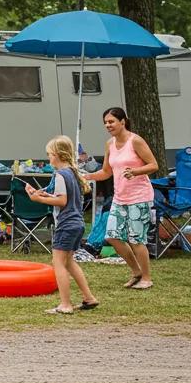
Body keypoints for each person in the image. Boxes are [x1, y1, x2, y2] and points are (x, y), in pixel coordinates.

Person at [85, 106, 158, 290]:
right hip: (120, 197)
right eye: (105, 123)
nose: (108, 125)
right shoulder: (109, 144)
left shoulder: (136, 141)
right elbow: (106, 172)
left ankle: (147, 278)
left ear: (122, 121)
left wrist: (136, 171)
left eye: (111, 121)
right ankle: (136, 272)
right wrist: (87, 176)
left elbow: (153, 165)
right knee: (112, 236)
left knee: (136, 240)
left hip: (139, 196)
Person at [26, 136, 100, 315]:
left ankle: (65, 304)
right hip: (78, 223)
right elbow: (62, 197)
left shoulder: (60, 174)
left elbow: (61, 200)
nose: (48, 158)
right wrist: (42, 195)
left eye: (49, 154)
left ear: (58, 155)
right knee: (69, 262)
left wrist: (37, 199)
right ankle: (89, 298)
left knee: (58, 262)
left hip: (66, 224)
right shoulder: (73, 173)